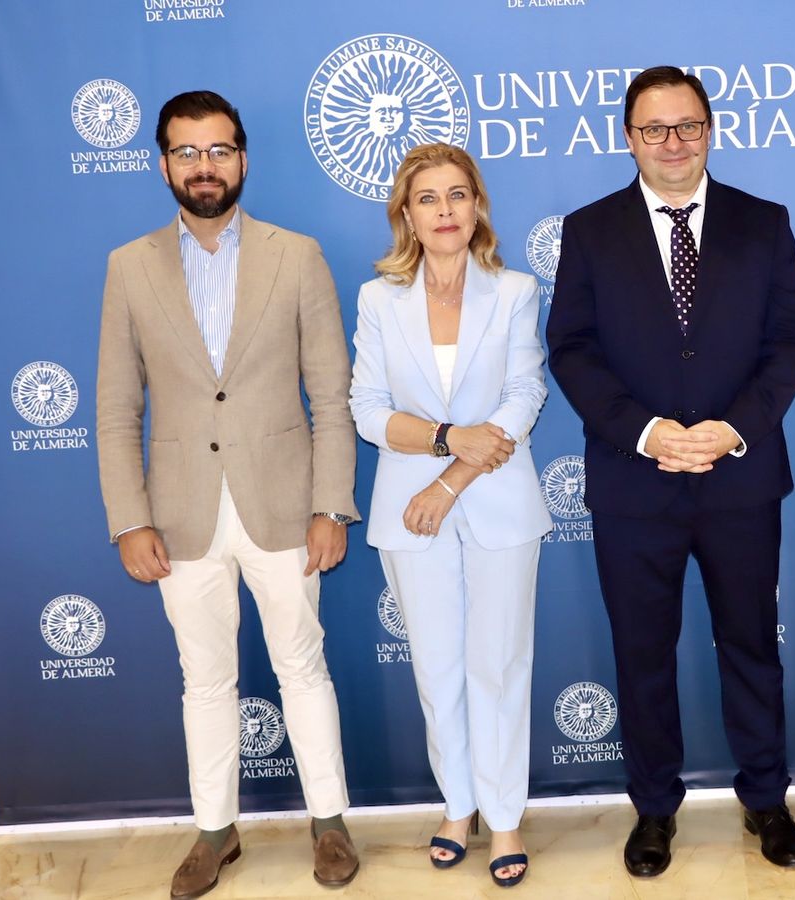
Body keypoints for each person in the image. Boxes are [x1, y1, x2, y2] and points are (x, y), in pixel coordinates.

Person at [545, 65, 795, 877]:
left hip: (739, 478)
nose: (673, 142)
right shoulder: (590, 231)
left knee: (750, 648)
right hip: (636, 486)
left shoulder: (764, 224)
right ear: (628, 137)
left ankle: (766, 799)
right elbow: (573, 350)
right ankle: (654, 810)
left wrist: (730, 429)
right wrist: (649, 432)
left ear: (710, 129)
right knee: (642, 653)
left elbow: (790, 343)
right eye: (655, 129)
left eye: (688, 125)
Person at [95, 90, 360, 898]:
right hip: (179, 516)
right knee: (203, 678)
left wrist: (330, 504)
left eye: (217, 150)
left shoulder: (298, 254)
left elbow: (331, 394)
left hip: (282, 501)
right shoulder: (129, 266)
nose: (203, 167)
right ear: (164, 162)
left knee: (303, 669)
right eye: (186, 152)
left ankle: (330, 823)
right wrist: (129, 519)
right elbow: (115, 408)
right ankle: (215, 830)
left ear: (243, 157)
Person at [348, 143, 549, 888]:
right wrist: (441, 440)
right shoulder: (377, 299)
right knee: (437, 668)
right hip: (407, 510)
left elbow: (523, 400)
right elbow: (367, 411)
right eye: (428, 198)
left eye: (458, 196)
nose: (444, 211)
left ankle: (503, 818)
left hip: (493, 502)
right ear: (406, 212)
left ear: (478, 207)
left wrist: (450, 479)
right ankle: (456, 805)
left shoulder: (515, 290)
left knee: (499, 666)